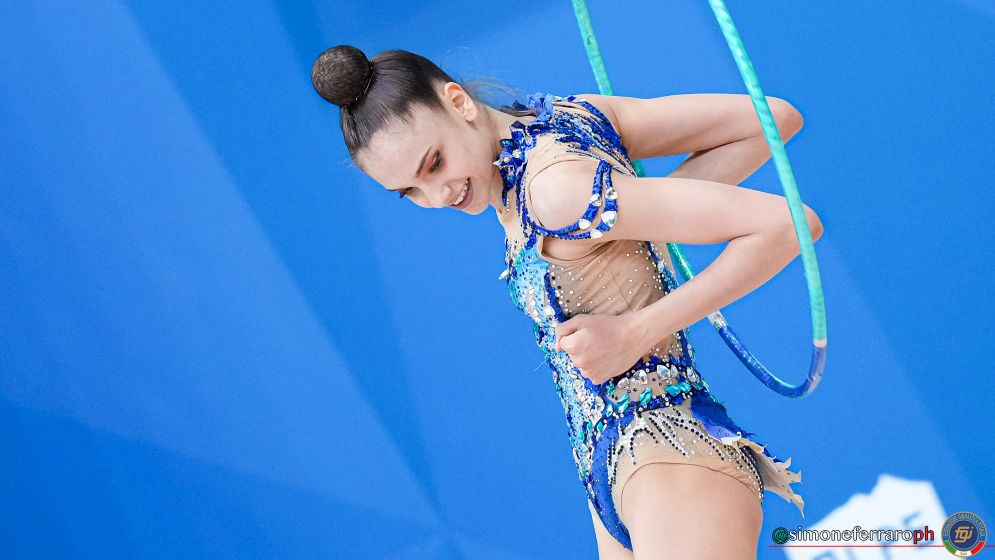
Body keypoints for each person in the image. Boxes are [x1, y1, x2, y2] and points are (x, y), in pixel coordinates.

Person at [311, 45, 822, 560]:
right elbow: (772, 121)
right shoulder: (565, 122)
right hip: (616, 478)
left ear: (459, 102)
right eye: (410, 191)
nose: (438, 195)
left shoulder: (554, 190)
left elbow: (787, 224)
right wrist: (645, 221)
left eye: (435, 163)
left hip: (673, 461)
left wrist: (637, 331)